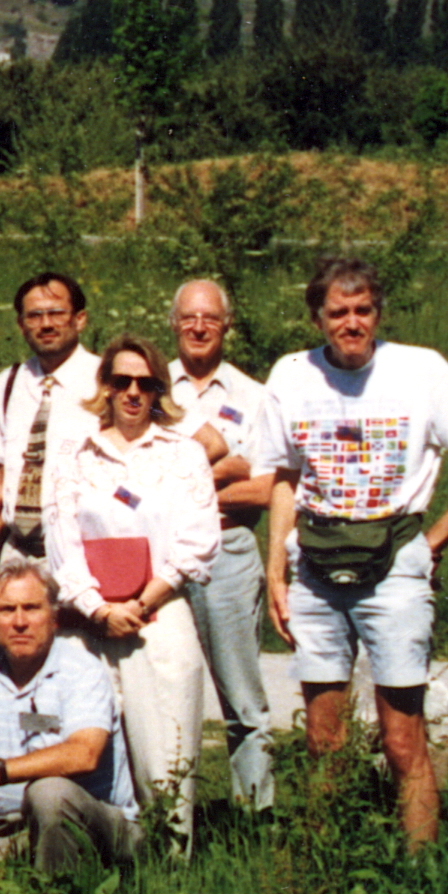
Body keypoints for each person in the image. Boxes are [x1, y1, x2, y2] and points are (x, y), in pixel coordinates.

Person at [257, 254, 448, 850]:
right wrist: (277, 569)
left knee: (404, 741)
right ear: (318, 318)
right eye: (338, 313)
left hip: (394, 562)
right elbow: (283, 478)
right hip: (315, 569)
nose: (352, 323)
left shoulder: (420, 372)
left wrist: (430, 543)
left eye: (363, 311)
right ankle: (325, 870)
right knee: (323, 740)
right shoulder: (291, 376)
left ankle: (420, 879)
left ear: (378, 313)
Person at [52, 341, 219, 845]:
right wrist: (99, 609)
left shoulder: (185, 453)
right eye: (121, 381)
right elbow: (63, 542)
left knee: (165, 748)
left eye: (144, 383)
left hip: (159, 615)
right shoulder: (73, 454)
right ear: (104, 386)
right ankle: (97, 857)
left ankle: (171, 863)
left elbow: (198, 540)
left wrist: (142, 603)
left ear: (158, 391)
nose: (132, 392)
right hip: (90, 618)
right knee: (89, 746)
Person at [0, 565, 135, 877]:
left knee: (49, 792)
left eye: (31, 608)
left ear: (54, 615)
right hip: (4, 831)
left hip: (96, 827)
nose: (19, 622)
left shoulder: (81, 668)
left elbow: (84, 753)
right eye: (6, 610)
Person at [164, 274, 286, 815]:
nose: (198, 326)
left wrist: (183, 476)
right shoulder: (147, 385)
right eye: (189, 317)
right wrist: (219, 464)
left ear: (226, 326)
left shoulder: (255, 396)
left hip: (227, 552)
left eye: (209, 318)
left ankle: (254, 817)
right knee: (164, 691)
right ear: (173, 324)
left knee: (242, 700)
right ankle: (167, 818)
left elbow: (265, 487)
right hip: (160, 556)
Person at [0, 271, 102, 608]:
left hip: (81, 558)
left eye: (56, 313)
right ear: (21, 324)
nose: (46, 324)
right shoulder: (10, 382)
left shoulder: (106, 380)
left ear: (80, 319)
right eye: (35, 315)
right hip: (17, 553)